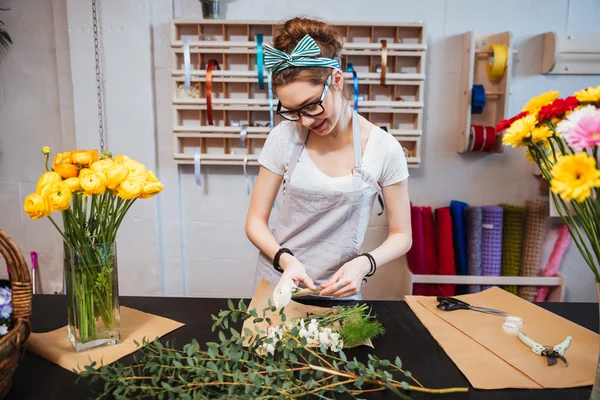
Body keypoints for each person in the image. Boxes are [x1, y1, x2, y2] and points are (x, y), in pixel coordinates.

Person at [245, 17, 412, 300]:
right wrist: (286, 260)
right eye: (292, 111)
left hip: (340, 292)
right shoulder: (283, 137)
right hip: (280, 283)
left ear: (336, 79)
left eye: (311, 106)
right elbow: (255, 222)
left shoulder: (384, 149)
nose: (306, 121)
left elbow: (402, 235)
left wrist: (364, 264)